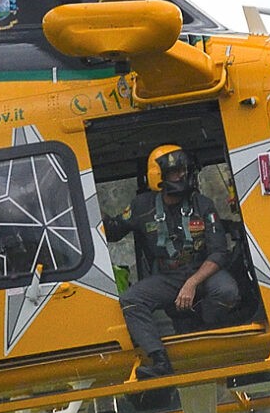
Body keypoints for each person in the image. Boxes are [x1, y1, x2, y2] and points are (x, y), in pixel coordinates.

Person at [102, 145, 243, 378]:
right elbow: (114, 230)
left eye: (183, 171)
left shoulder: (203, 204)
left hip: (203, 270)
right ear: (160, 176)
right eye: (175, 172)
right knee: (131, 300)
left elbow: (219, 253)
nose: (181, 176)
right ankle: (159, 360)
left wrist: (192, 283)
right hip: (168, 276)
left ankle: (208, 331)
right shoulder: (141, 206)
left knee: (226, 290)